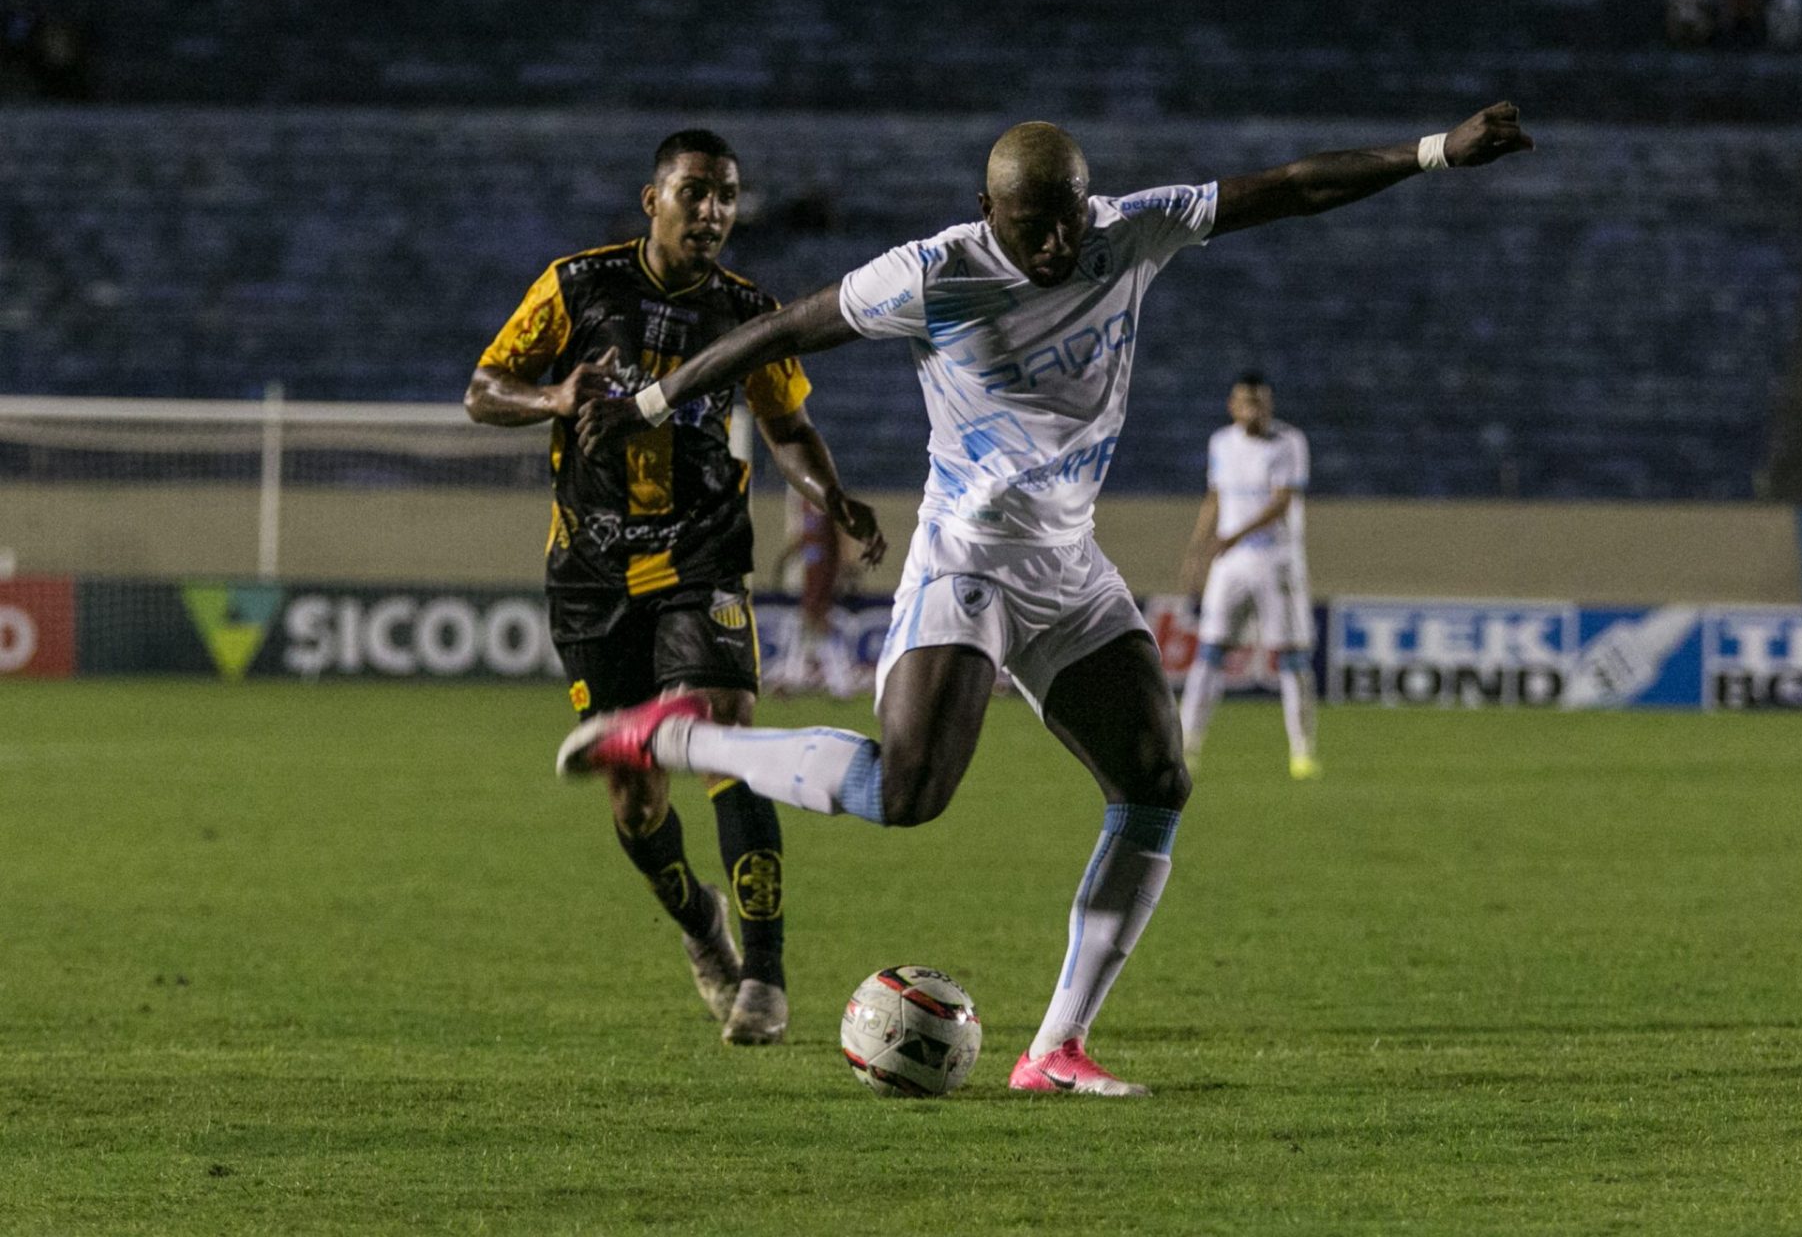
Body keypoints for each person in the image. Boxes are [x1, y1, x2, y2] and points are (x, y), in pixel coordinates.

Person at [559, 104, 1534, 1093]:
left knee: (1155, 779)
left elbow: (1287, 187)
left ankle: (1054, 1047)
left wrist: (1431, 153)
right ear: (990, 211)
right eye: (1035, 224)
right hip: (969, 558)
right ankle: (681, 738)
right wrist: (646, 401)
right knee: (908, 791)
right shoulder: (936, 273)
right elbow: (776, 330)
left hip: (1068, 564)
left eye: (1070, 215)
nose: (1060, 240)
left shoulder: (1127, 232)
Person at [466, 128, 886, 1046]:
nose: (713, 212)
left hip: (699, 557)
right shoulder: (577, 285)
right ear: (651, 198)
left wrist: (832, 498)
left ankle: (766, 976)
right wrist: (553, 399)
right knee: (636, 801)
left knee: (728, 727)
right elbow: (484, 387)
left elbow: (787, 426)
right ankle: (703, 924)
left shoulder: (746, 310)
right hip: (592, 571)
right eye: (695, 193)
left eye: (727, 196)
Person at [1178, 373, 1317, 778]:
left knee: (1292, 657)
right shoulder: (1220, 442)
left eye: (1261, 402)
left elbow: (1282, 503)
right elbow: (1215, 497)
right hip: (1230, 562)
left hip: (1277, 560)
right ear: (1232, 406)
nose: (1254, 410)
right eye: (1247, 402)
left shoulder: (1289, 442)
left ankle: (1302, 752)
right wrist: (1196, 551)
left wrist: (1231, 537)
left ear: (1270, 406)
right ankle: (1187, 745)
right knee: (1210, 651)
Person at [769, 485, 858, 698]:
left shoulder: (828, 504)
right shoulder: (805, 505)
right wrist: (786, 557)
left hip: (825, 572)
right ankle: (833, 682)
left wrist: (847, 564)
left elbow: (841, 532)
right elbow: (805, 537)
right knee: (811, 624)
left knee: (815, 621)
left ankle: (835, 682)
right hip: (811, 573)